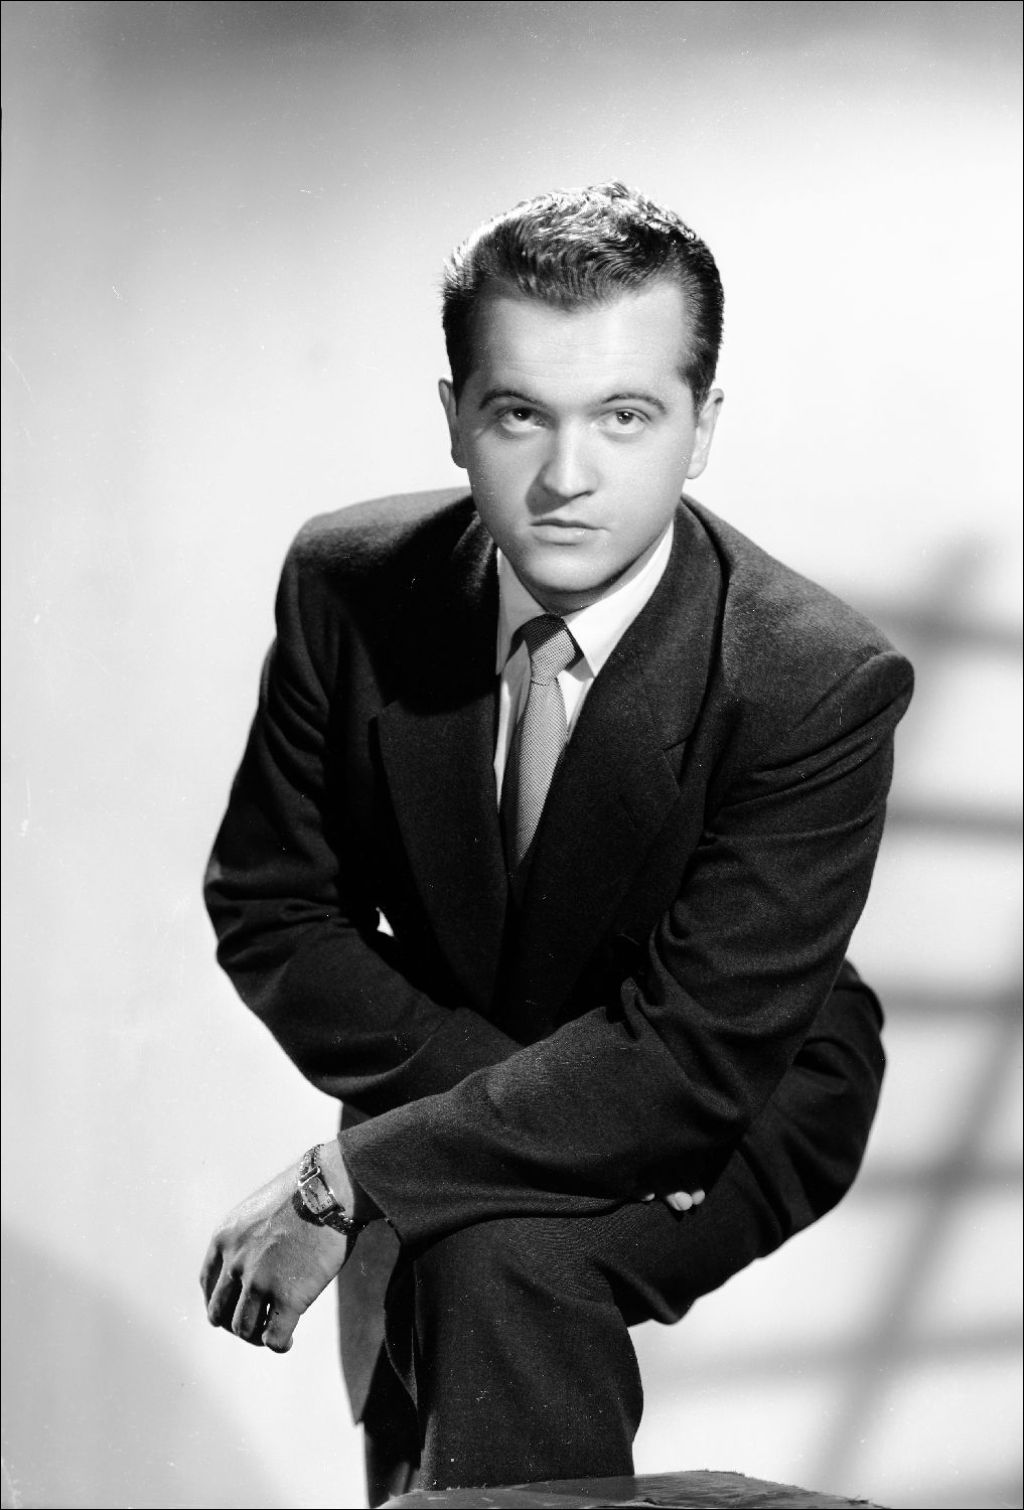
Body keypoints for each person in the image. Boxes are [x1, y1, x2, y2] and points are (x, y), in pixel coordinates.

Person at [200, 182, 913, 1504]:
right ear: (455, 415)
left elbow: (689, 1060)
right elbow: (273, 906)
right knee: (458, 1254)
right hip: (471, 1047)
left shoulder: (815, 676)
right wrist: (488, 1128)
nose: (567, 476)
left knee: (494, 1254)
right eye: (520, 413)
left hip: (741, 1077)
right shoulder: (348, 581)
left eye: (625, 416)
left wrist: (350, 1177)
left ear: (703, 427)